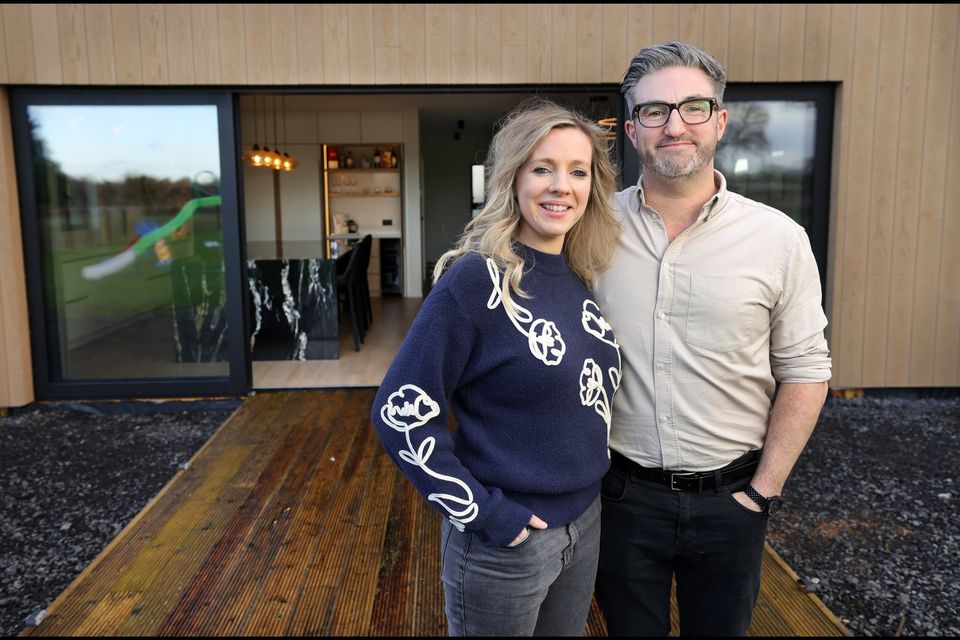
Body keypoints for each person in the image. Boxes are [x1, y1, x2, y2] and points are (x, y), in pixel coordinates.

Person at [593, 41, 832, 637]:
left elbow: (806, 369)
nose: (674, 124)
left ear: (719, 121)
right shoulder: (589, 230)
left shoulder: (779, 239)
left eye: (693, 107)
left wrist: (763, 493)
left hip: (734, 501)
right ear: (632, 129)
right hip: (621, 498)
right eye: (654, 111)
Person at [370, 99, 622, 637]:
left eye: (578, 171)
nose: (562, 186)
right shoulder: (475, 282)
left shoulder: (579, 275)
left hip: (585, 523)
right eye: (542, 168)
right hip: (508, 543)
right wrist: (486, 514)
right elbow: (399, 414)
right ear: (511, 178)